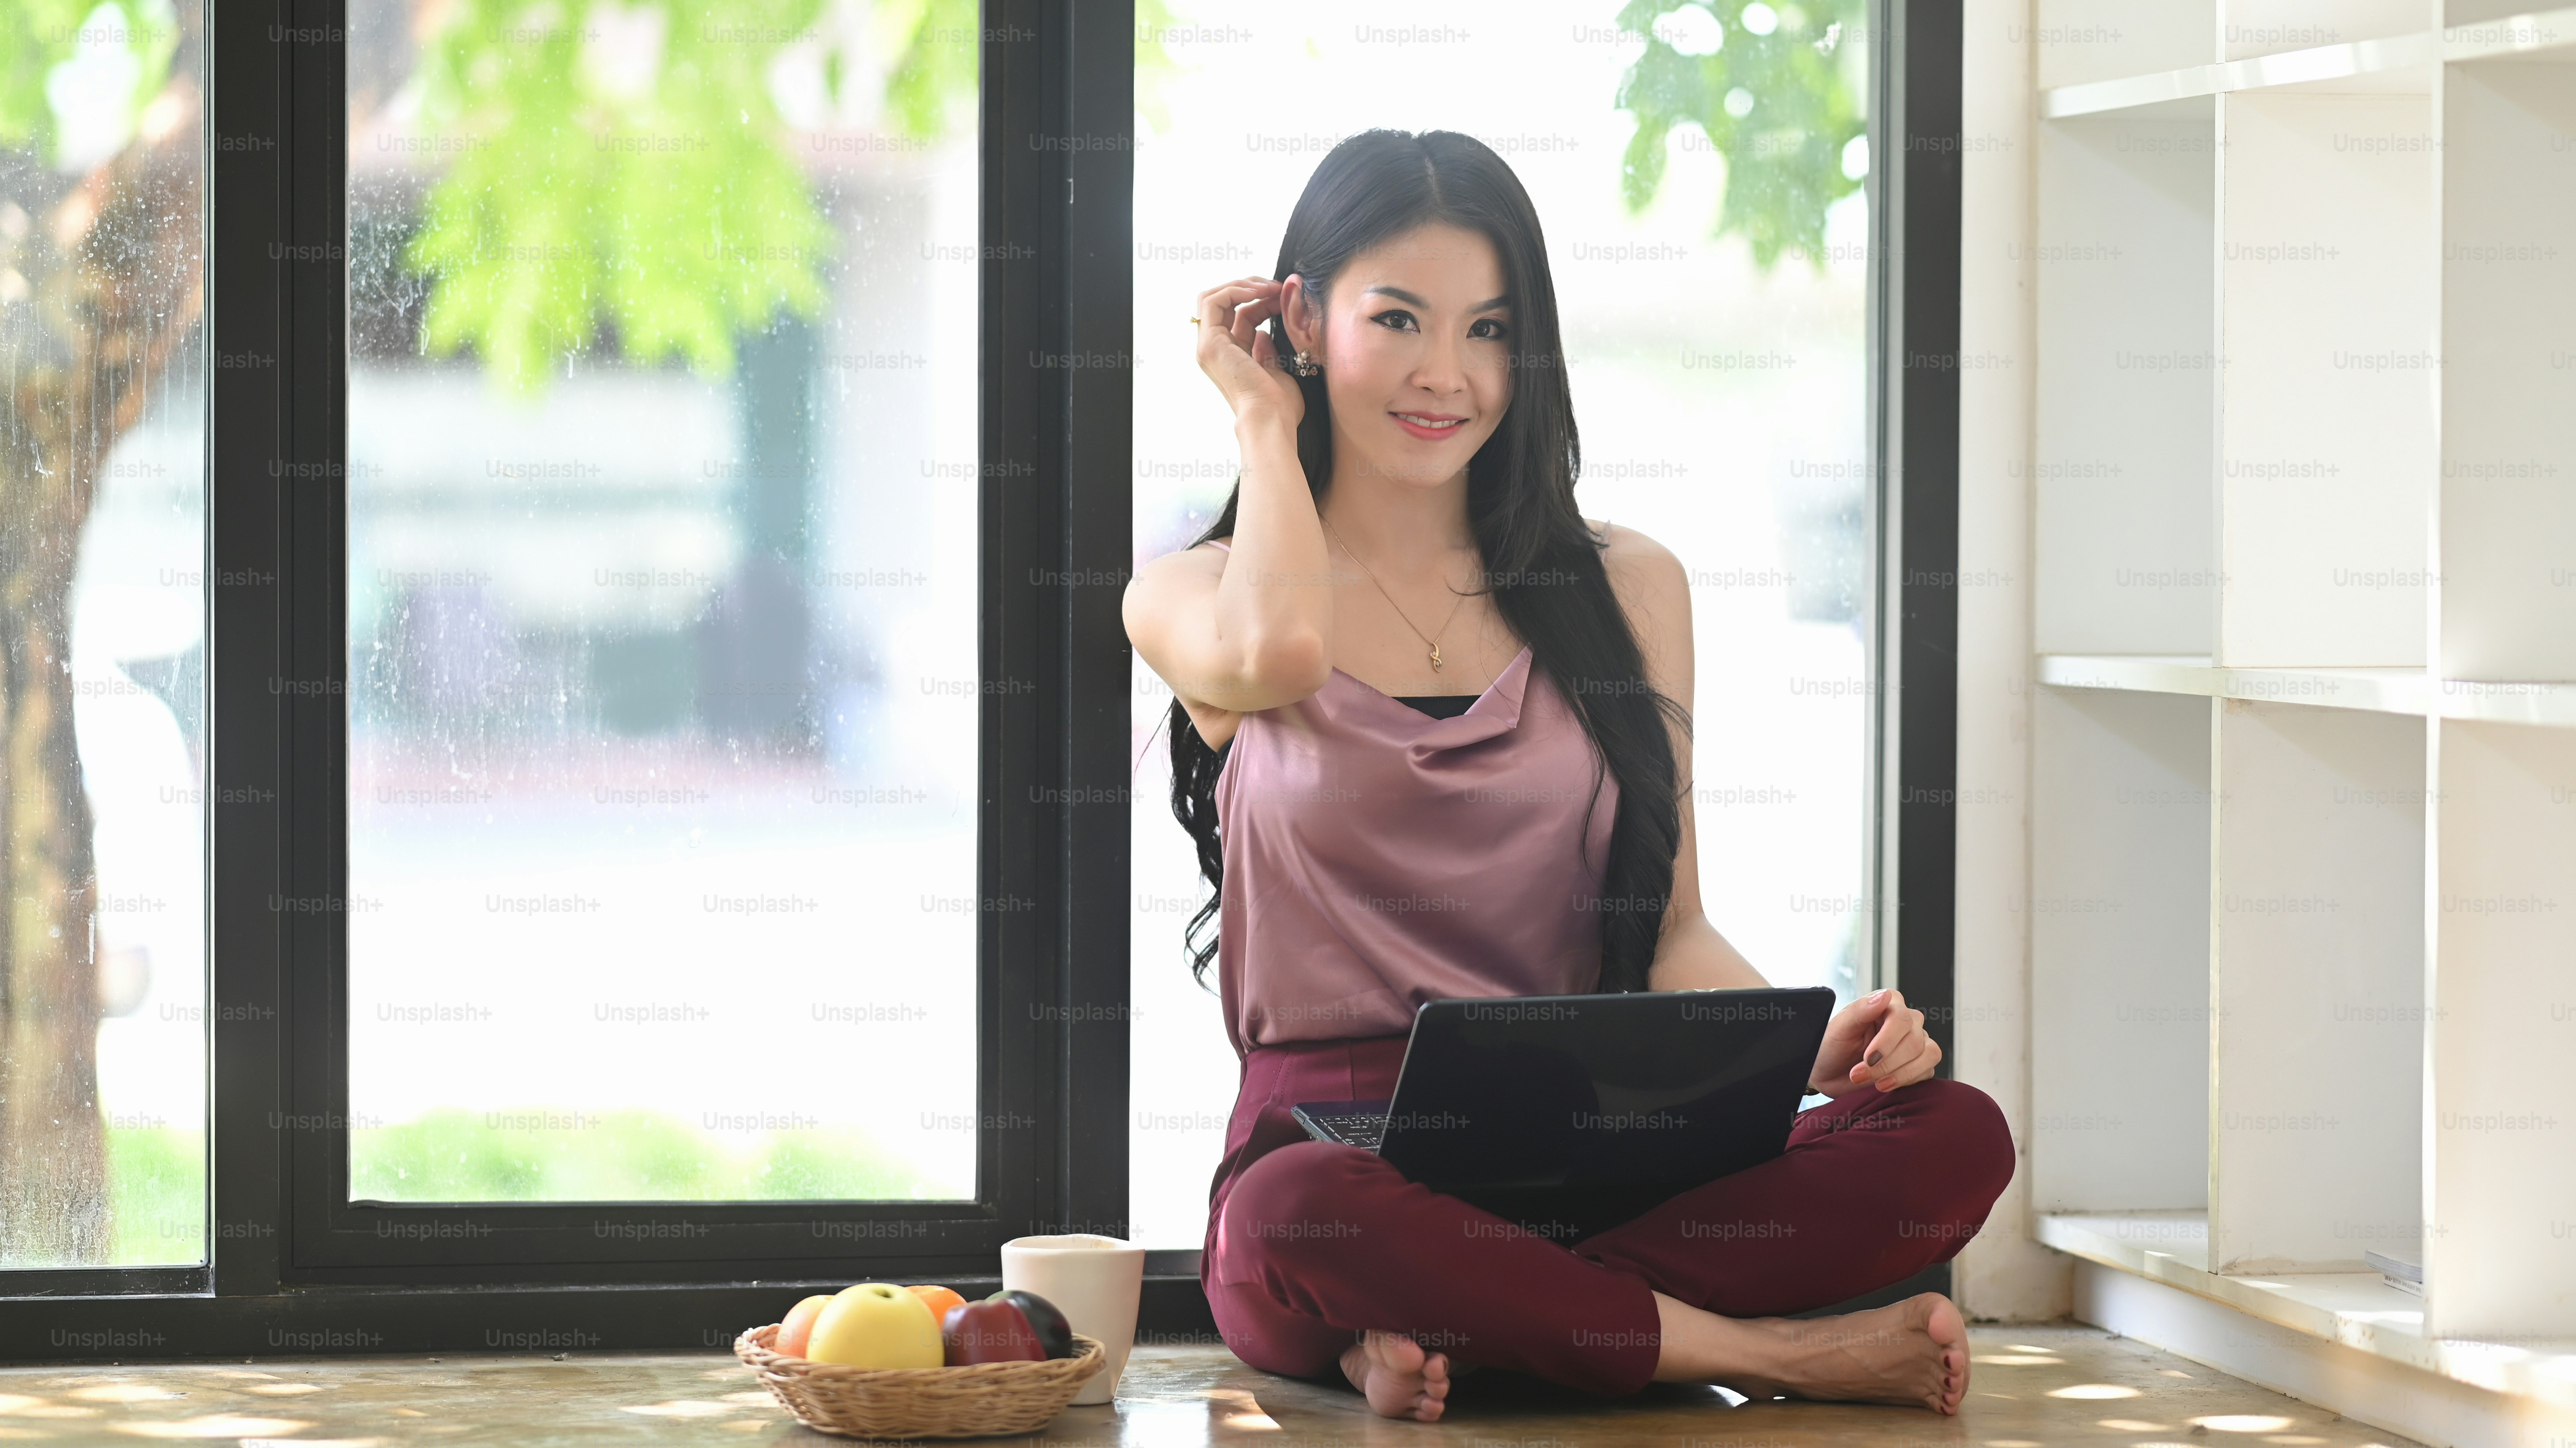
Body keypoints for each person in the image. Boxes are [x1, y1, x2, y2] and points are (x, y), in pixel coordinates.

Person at [1122, 129, 2013, 1423]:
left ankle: (1469, 1329)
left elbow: (1669, 931)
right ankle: (1762, 1351)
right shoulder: (1202, 595)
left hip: (1596, 1134)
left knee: (1953, 1133)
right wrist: (1264, 415)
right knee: (1287, 1218)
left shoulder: (1629, 587)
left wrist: (1810, 1047)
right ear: (1301, 319)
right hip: (1336, 1156)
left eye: (1488, 329)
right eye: (1398, 319)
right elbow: (1280, 649)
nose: (1447, 375)